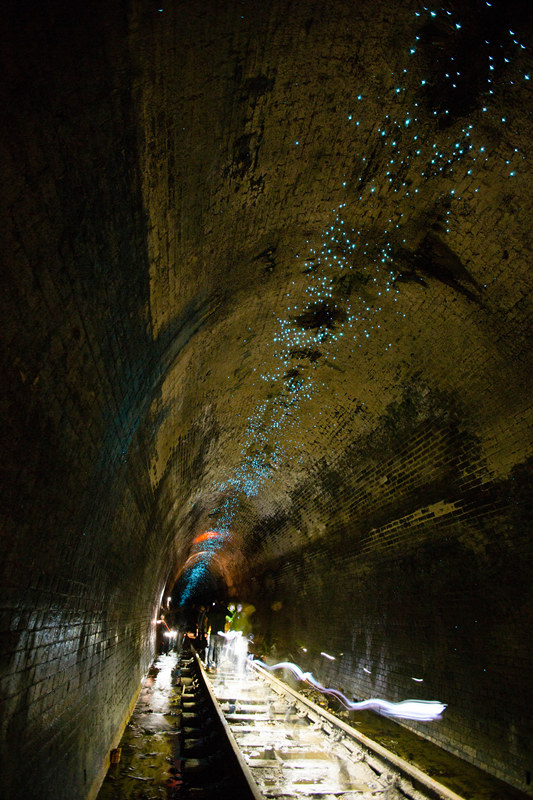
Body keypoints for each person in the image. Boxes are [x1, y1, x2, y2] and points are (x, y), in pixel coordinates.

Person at [206, 600, 229, 668]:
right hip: (220, 632)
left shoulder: (213, 609)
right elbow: (230, 615)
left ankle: (209, 665)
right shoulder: (224, 609)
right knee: (218, 649)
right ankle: (218, 665)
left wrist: (207, 630)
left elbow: (208, 616)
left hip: (213, 631)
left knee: (211, 648)